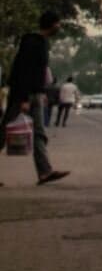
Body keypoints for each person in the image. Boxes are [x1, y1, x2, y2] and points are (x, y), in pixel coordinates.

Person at [2, 11, 71, 186]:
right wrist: (24, 98)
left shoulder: (42, 43)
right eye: (58, 23)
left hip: (36, 95)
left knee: (39, 134)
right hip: (22, 95)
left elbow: (39, 73)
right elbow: (24, 71)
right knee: (3, 133)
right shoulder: (32, 42)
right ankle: (45, 171)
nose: (59, 27)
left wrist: (42, 93)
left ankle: (44, 172)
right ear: (51, 24)